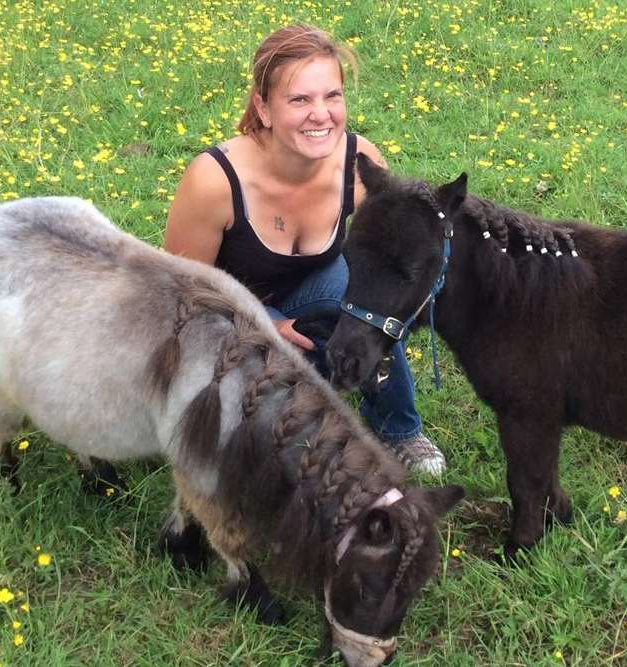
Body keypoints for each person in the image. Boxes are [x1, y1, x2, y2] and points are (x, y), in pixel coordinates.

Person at [164, 23, 446, 474]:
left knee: (370, 308)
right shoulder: (215, 180)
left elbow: (387, 256)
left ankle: (399, 429)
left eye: (332, 96)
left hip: (314, 291)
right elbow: (182, 293)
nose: (322, 114)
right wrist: (265, 323)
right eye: (300, 99)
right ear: (264, 107)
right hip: (222, 317)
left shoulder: (358, 165)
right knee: (273, 454)